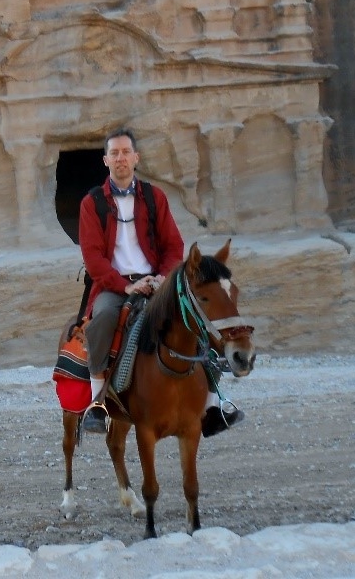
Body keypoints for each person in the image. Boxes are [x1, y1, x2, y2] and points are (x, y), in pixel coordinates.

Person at [78, 128, 244, 436]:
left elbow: (173, 245)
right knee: (101, 320)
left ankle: (212, 403)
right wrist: (124, 286)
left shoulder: (155, 198)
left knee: (196, 318)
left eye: (126, 152)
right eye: (114, 153)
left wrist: (163, 278)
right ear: (105, 160)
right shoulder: (92, 204)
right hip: (115, 285)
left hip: (157, 282)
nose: (120, 158)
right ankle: (97, 402)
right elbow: (92, 256)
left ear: (136, 158)